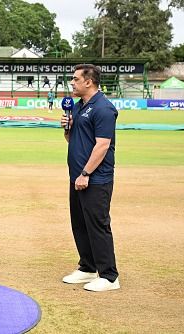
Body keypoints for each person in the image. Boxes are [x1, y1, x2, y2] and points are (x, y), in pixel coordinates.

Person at [60, 64, 120, 292]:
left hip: (95, 179)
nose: (72, 83)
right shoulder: (77, 107)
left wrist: (86, 173)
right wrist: (67, 129)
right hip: (76, 177)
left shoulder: (103, 108)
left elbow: (103, 145)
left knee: (97, 225)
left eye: (75, 79)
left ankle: (109, 276)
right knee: (80, 224)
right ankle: (87, 267)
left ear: (89, 82)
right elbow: (72, 140)